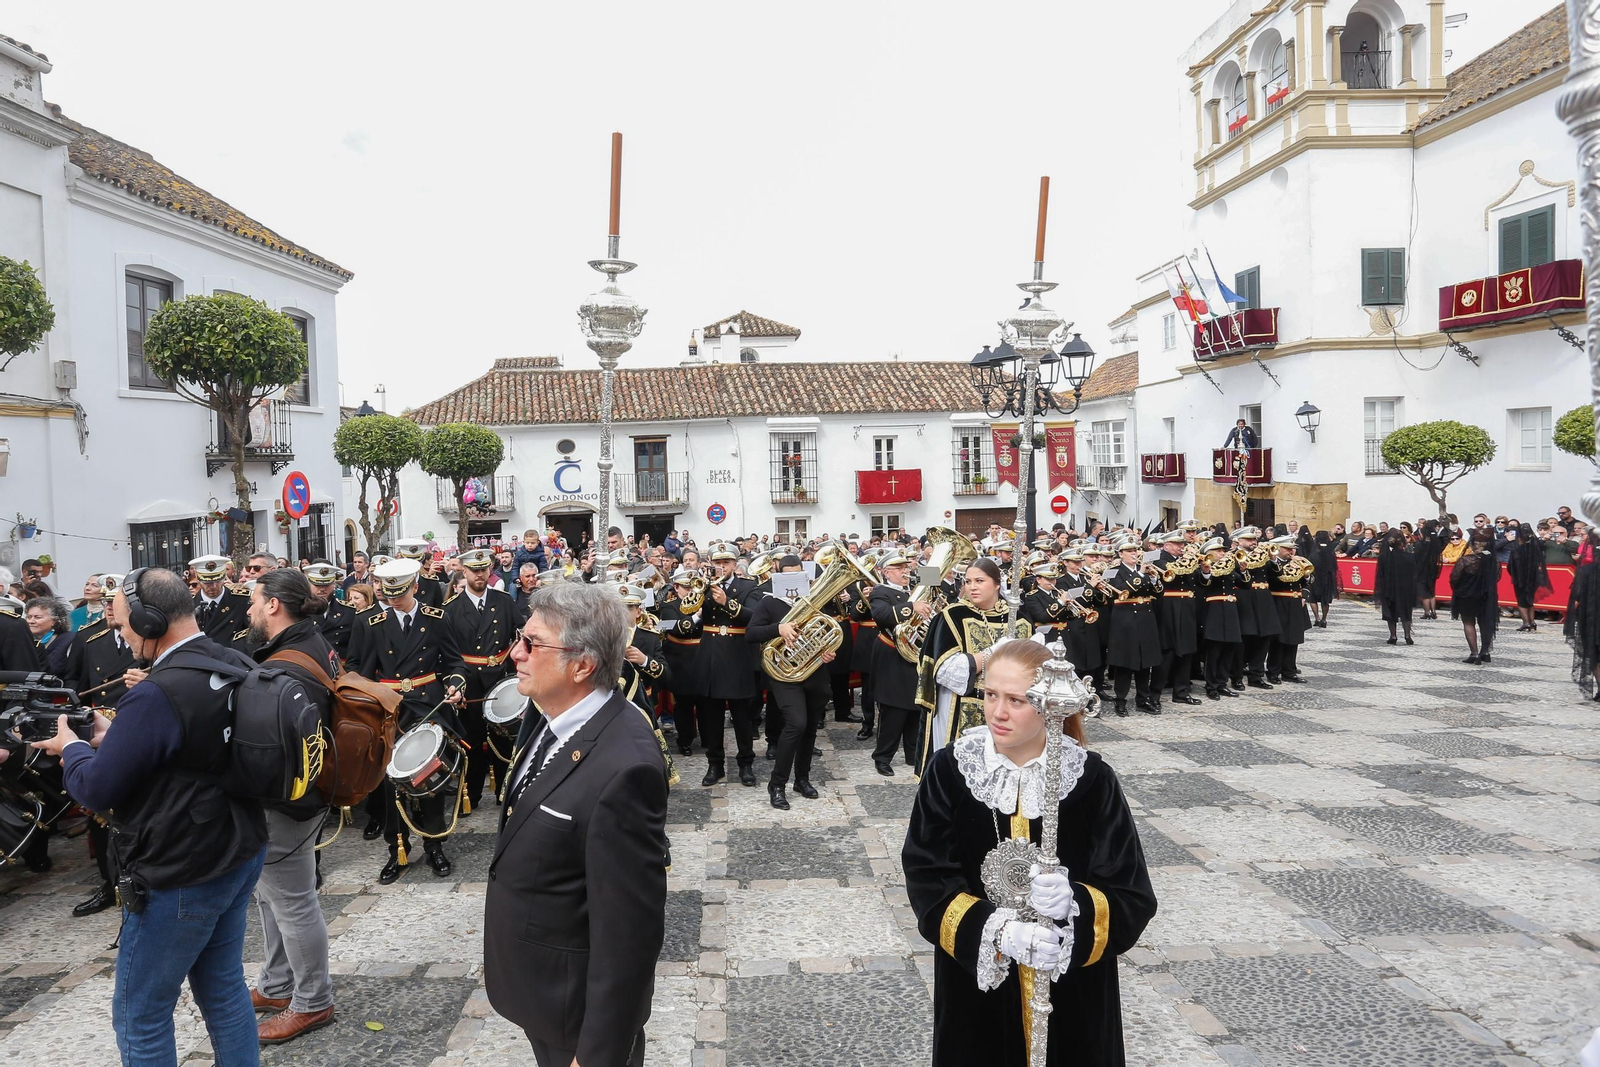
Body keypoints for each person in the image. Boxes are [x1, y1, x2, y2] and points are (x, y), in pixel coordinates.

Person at [32, 567, 266, 1066]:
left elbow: (97, 789)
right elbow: (185, 747)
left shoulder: (156, 691)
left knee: (140, 1014)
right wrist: (109, 736)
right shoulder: (231, 659)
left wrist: (71, 747)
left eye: (122, 626)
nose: (121, 635)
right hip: (238, 845)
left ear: (149, 618)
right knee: (223, 990)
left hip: (180, 867)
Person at [902, 639, 1157, 1066]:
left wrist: (1077, 903)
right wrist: (996, 933)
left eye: (1016, 700)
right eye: (989, 695)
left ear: (1049, 705)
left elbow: (1130, 894)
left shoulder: (1090, 779)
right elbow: (928, 878)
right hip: (977, 989)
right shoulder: (951, 770)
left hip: (1072, 991)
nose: (998, 712)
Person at [483, 581, 669, 1067]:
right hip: (543, 988)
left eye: (531, 644)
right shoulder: (549, 713)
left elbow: (629, 934)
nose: (515, 654)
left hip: (577, 1013)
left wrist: (598, 1053)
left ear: (582, 665)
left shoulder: (625, 768)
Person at [244, 567, 340, 1045]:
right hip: (301, 796)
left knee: (294, 902)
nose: (248, 609)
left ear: (274, 605)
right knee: (273, 897)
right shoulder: (309, 642)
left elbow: (281, 743)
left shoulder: (289, 662)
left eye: (253, 600)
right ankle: (278, 984)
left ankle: (312, 1002)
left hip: (291, 800)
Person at [350, 557, 466, 881]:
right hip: (391, 712)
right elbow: (359, 671)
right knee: (390, 786)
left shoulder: (437, 619)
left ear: (415, 586)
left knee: (429, 781)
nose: (395, 601)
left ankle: (434, 845)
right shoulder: (368, 624)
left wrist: (455, 685)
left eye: (400, 594)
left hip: (429, 708)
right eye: (389, 596)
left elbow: (454, 663)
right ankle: (397, 848)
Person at [916, 558, 1031, 771]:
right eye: (968, 582)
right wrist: (991, 654)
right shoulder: (952, 616)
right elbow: (945, 672)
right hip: (960, 706)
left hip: (1008, 709)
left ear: (997, 583)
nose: (972, 587)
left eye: (979, 580)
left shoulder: (1018, 618)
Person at [746, 555, 834, 809]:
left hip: (815, 673)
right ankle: (777, 784)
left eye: (799, 574)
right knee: (796, 724)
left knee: (809, 729)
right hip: (785, 676)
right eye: (789, 575)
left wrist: (829, 652)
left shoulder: (814, 601)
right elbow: (750, 634)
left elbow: (828, 633)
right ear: (778, 575)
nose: (795, 579)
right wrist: (778, 629)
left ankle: (802, 779)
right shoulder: (769, 603)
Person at [445, 548, 519, 813]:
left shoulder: (504, 601)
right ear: (462, 572)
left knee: (504, 739)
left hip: (500, 676)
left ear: (490, 571)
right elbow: (447, 654)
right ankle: (471, 793)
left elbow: (519, 635)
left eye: (483, 569)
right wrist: (454, 685)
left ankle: (504, 790)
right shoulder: (451, 609)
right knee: (471, 741)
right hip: (469, 680)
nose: (479, 575)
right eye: (473, 570)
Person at [871, 550, 929, 776]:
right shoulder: (880, 591)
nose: (905, 571)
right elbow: (882, 615)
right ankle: (883, 756)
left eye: (906, 567)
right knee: (893, 709)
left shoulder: (913, 590)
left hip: (914, 654)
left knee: (915, 706)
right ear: (886, 572)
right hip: (892, 654)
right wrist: (912, 607)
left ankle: (912, 752)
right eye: (898, 568)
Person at [1102, 538, 1165, 716]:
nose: (1134, 554)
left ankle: (1143, 699)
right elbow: (1121, 590)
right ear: (1120, 554)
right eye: (1129, 551)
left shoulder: (1143, 571)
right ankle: (1120, 700)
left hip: (1146, 619)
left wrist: (1154, 579)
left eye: (1135, 550)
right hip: (1125, 621)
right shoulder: (1113, 572)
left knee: (1146, 662)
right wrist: (1141, 575)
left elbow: (1159, 594)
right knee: (1124, 662)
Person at [1450, 530, 1500, 665]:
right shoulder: (1494, 562)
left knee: (1468, 622)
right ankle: (1485, 652)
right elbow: (1497, 578)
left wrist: (1460, 588)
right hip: (1486, 595)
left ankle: (1474, 653)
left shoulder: (1465, 561)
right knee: (1484, 622)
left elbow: (1454, 578)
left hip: (1467, 595)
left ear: (1471, 545)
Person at [191, 554, 252, 647]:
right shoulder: (189, 604)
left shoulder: (242, 600)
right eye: (207, 582)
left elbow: (252, 634)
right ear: (197, 578)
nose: (214, 586)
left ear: (224, 577)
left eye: (218, 580)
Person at [1373, 531, 1418, 645]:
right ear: (1402, 543)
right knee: (1406, 612)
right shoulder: (1410, 557)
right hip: (1405, 588)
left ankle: (1393, 635)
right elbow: (1414, 574)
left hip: (1389, 588)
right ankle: (1407, 635)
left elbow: (1380, 575)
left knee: (1390, 611)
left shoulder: (1384, 558)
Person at [1507, 522, 1551, 632]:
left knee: (1521, 601)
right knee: (1530, 601)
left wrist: (1513, 574)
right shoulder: (1534, 547)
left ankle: (1526, 623)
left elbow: (1510, 566)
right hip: (1532, 577)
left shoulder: (1517, 549)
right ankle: (1532, 622)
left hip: (1520, 578)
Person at [25, 596, 73, 676]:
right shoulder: (24, 641)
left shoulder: (69, 640)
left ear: (54, 621)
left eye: (38, 617)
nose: (31, 621)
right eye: (29, 617)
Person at [1413, 520, 1446, 621]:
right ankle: (1433, 611)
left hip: (1422, 569)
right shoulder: (1434, 543)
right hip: (1432, 569)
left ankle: (1427, 612)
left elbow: (1416, 558)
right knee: (1431, 591)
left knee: (1424, 592)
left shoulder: (1420, 545)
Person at [1307, 531, 1337, 627]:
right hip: (1327, 578)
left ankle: (1317, 618)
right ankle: (1324, 619)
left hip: (1315, 577)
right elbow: (1334, 565)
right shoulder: (1330, 549)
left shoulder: (1314, 549)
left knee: (1313, 599)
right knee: (1325, 600)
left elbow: (1310, 562)